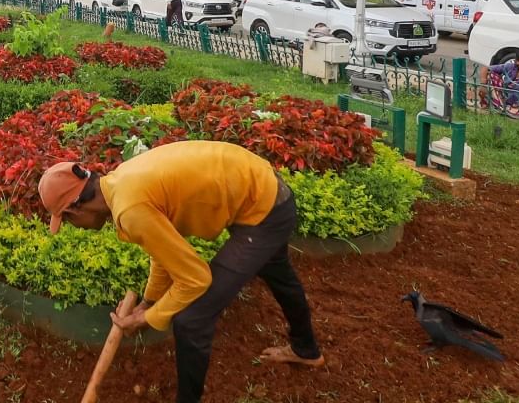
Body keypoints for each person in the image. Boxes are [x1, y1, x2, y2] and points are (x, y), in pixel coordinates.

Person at [38, 142, 323, 403]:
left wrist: (149, 319)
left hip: (264, 210)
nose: (76, 227)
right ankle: (306, 349)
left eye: (68, 222)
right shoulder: (121, 181)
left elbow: (196, 279)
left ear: (76, 210)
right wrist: (149, 301)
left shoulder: (130, 209)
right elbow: (164, 253)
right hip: (265, 192)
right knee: (277, 270)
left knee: (192, 319)